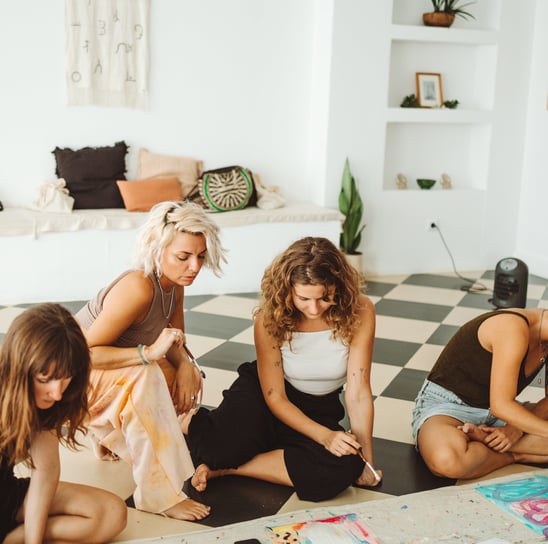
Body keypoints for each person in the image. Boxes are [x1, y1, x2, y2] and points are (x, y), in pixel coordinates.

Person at [183, 236, 382, 502]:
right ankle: (193, 423)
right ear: (287, 290)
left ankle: (227, 469)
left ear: (339, 285)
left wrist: (365, 462)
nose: (314, 308)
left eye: (324, 298)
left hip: (318, 406)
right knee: (218, 449)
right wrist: (324, 437)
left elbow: (358, 391)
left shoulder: (360, 309)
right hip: (264, 397)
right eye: (303, 298)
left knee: (344, 466)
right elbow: (275, 397)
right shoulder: (269, 318)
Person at [75, 200, 226, 521]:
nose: (195, 266)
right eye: (183, 257)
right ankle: (157, 496)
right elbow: (83, 353)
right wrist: (148, 355)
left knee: (180, 373)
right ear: (156, 250)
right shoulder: (139, 287)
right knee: (150, 378)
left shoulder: (174, 285)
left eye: (200, 256)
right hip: (70, 375)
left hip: (105, 371)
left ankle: (108, 438)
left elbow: (174, 337)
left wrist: (186, 365)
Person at [0, 303, 127, 544]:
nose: (57, 393)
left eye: (65, 378)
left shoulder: (46, 402)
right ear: (20, 370)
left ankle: (13, 537)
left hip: (5, 493)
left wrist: (32, 541)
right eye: (45, 379)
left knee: (112, 513)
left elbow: (45, 473)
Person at [412, 307, 548, 481]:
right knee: (447, 460)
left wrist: (515, 429)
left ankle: (489, 443)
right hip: (450, 406)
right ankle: (514, 454)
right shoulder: (511, 326)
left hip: (503, 413)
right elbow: (501, 405)